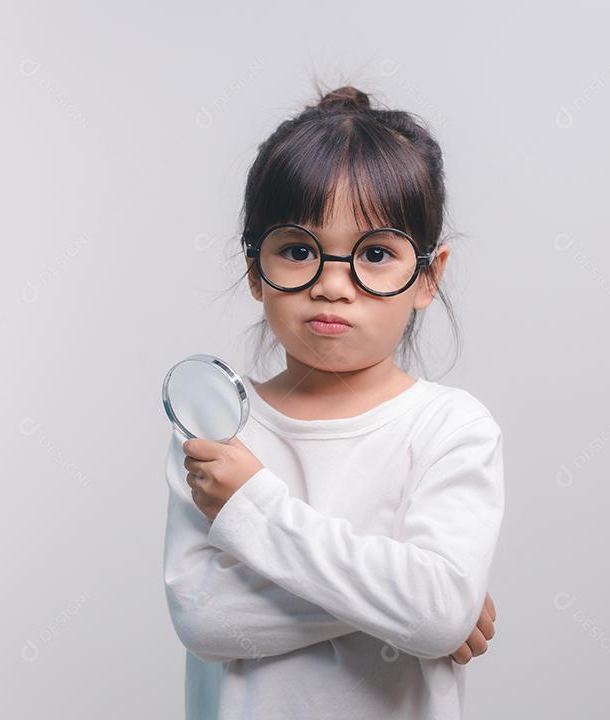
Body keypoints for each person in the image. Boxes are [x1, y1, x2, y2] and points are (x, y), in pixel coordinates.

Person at [163, 84, 505, 720]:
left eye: (375, 255)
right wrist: (410, 602)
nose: (331, 284)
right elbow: (206, 621)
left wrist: (253, 506)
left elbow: (434, 611)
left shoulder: (451, 428)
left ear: (429, 275)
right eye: (297, 250)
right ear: (253, 268)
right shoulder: (217, 427)